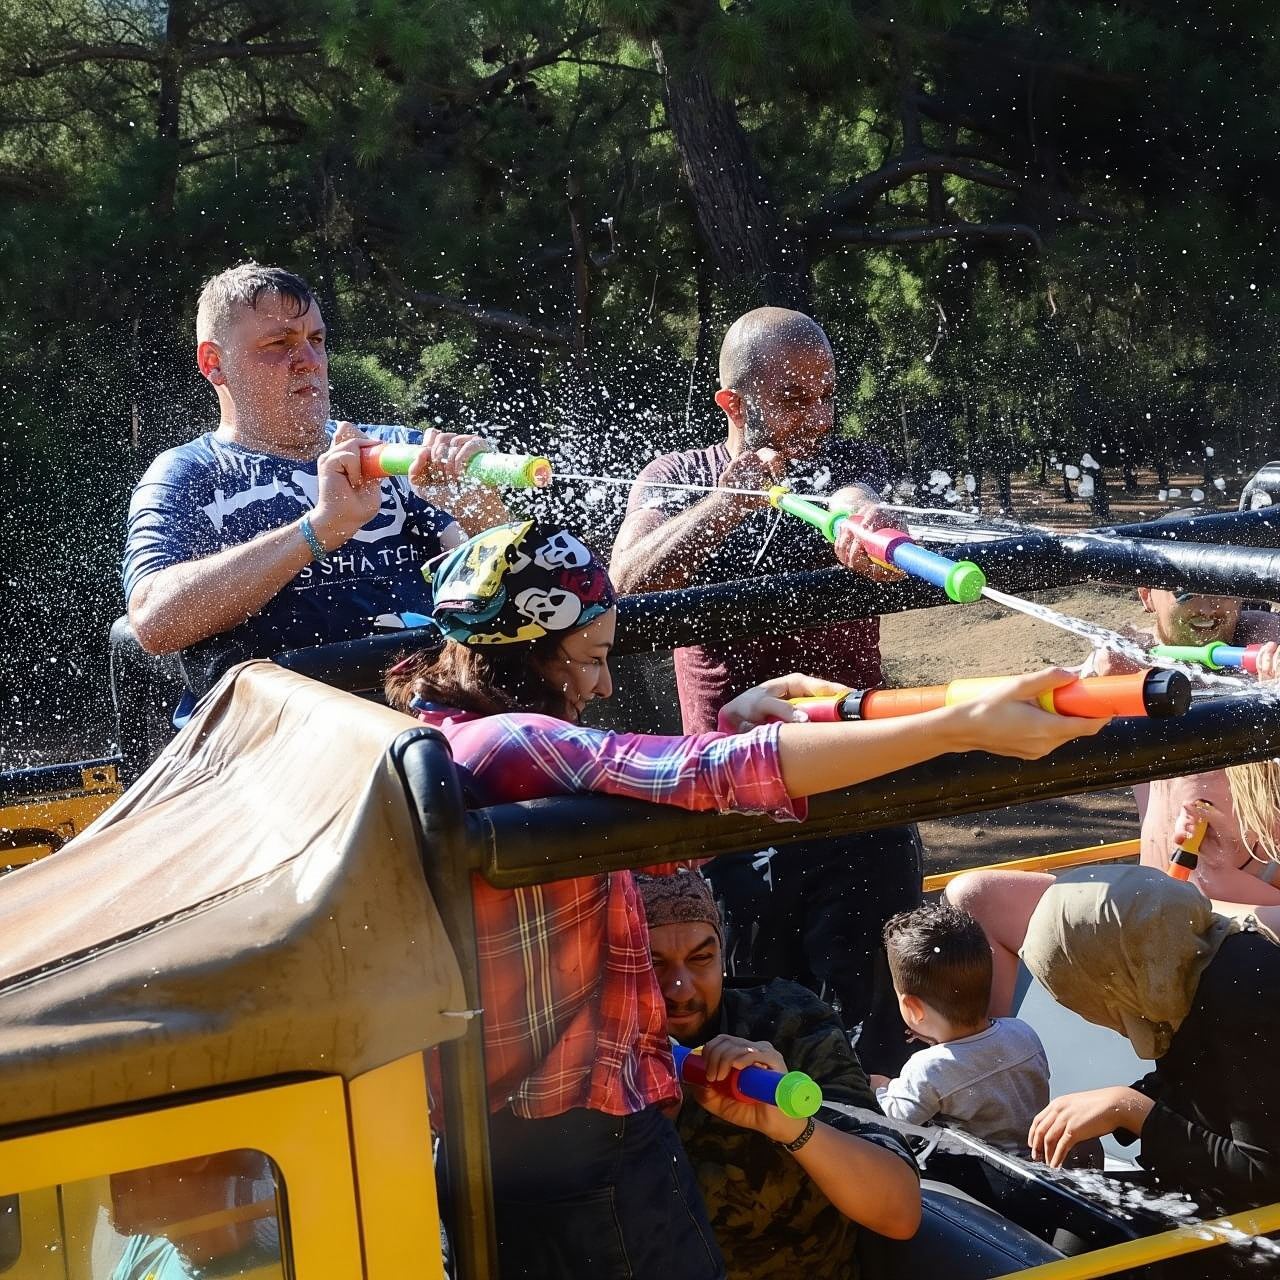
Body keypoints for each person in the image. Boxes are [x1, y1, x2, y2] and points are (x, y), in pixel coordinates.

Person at [383, 518, 1107, 1280]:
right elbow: (711, 777)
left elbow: (644, 836)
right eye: (591, 659)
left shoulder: (436, 737)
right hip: (591, 1157)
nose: (602, 684)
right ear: (523, 651)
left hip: (490, 1146)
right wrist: (957, 727)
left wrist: (729, 724)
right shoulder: (511, 742)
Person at [609, 306, 922, 1072]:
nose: (816, 417)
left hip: (859, 799)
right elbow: (622, 585)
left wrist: (867, 519)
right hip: (734, 812)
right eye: (792, 399)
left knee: (871, 1036)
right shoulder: (677, 476)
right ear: (733, 405)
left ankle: (879, 1163)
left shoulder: (850, 457)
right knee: (749, 1020)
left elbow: (857, 495)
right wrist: (728, 503)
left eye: (826, 395)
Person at [122, 261, 506, 662]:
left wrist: (481, 514)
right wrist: (318, 530)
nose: (309, 359)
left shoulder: (397, 452)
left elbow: (530, 604)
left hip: (431, 699)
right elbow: (153, 622)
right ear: (213, 363)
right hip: (287, 715)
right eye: (278, 343)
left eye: (316, 339)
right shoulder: (189, 474)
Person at [947, 582, 1280, 1016]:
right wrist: (1091, 693)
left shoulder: (1264, 654)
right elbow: (1035, 719)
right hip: (1153, 912)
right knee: (975, 895)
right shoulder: (1129, 661)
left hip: (1239, 918)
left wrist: (1219, 882)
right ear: (1147, 596)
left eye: (1222, 591)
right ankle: (998, 1060)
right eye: (1186, 592)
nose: (1208, 608)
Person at [636, 871, 919, 1280]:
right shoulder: (574, 1057)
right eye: (652, 964)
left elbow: (900, 1212)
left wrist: (793, 1128)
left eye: (701, 959)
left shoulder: (788, 1022)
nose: (680, 988)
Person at [1023, 865, 1280, 1216]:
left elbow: (1264, 1176)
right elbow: (1206, 1080)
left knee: (1076, 1230)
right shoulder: (1190, 960)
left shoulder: (1245, 999)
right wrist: (1112, 1109)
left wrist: (1128, 1109)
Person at [869, 904, 1049, 1155]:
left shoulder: (927, 1068)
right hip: (1037, 1162)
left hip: (983, 1179)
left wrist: (880, 1089)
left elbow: (895, 1127)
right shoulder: (1023, 1033)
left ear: (913, 1008)